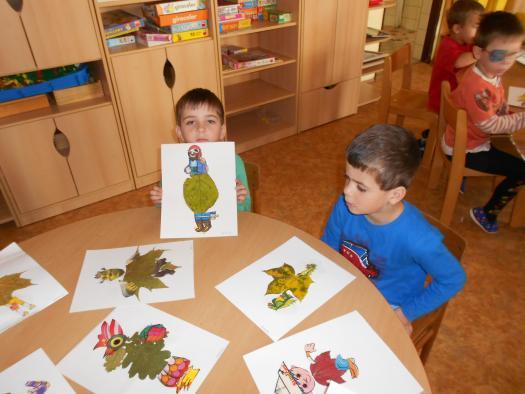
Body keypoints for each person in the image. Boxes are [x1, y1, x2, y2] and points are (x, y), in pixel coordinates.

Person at [322, 125, 466, 334]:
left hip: (387, 304)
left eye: (361, 187)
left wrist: (404, 314)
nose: (346, 191)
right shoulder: (346, 205)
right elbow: (329, 245)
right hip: (348, 285)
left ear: (395, 195)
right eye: (347, 178)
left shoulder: (418, 239)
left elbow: (453, 279)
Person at [442, 11, 525, 233]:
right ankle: (486, 214)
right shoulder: (477, 87)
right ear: (478, 52)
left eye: (514, 54)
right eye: (500, 56)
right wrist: (521, 118)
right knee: (522, 169)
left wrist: (506, 110)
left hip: (469, 139)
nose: (507, 63)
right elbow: (490, 126)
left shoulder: (488, 71)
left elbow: (496, 99)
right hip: (468, 149)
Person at [150, 88, 251, 211]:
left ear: (222, 131)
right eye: (191, 122)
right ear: (179, 132)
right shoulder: (173, 163)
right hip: (186, 226)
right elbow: (167, 213)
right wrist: (161, 201)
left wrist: (239, 200)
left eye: (210, 121)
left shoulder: (234, 162)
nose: (201, 128)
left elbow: (246, 208)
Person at [428, 0, 484, 114]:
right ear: (458, 29)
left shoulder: (468, 42)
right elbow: (458, 61)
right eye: (476, 27)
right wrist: (480, 53)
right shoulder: (447, 45)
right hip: (442, 100)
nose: (480, 32)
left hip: (456, 95)